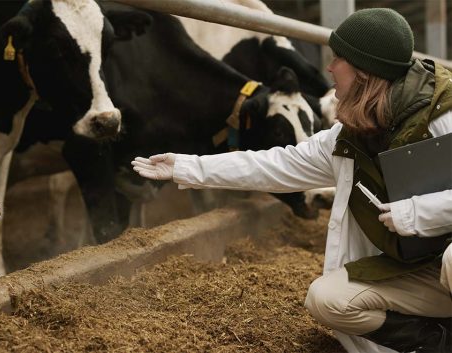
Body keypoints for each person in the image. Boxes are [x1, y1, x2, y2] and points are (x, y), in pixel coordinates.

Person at [131, 8, 452, 353]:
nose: (328, 68)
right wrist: (186, 167)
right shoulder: (350, 136)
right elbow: (275, 164)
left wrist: (417, 213)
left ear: (363, 72)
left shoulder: (443, 118)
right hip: (423, 273)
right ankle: (440, 343)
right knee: (327, 299)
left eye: (337, 59)